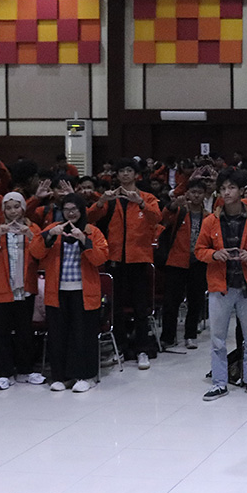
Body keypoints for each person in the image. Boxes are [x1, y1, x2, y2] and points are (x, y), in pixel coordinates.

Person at [196, 169, 247, 401]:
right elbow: (199, 250)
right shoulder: (211, 220)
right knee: (217, 338)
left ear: (242, 191)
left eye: (231, 188)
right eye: (223, 189)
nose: (226, 193)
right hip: (220, 285)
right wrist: (214, 255)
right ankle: (219, 382)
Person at [30, 193, 109, 392]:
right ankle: (60, 376)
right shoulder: (54, 228)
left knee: (82, 335)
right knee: (58, 335)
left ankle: (85, 376)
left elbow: (101, 258)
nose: (70, 213)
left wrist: (83, 239)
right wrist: (50, 235)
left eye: (74, 209)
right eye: (66, 209)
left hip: (84, 291)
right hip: (57, 291)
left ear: (82, 210)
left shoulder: (92, 231)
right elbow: (36, 252)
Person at [89, 158, 161, 369]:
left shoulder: (147, 197)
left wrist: (140, 203)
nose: (125, 174)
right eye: (121, 171)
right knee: (117, 307)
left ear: (136, 174)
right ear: (117, 175)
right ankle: (119, 347)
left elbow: (156, 218)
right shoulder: (111, 198)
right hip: (115, 259)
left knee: (140, 307)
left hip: (139, 259)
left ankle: (142, 349)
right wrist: (101, 201)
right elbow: (90, 217)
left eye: (129, 170)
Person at [0, 192, 42, 390]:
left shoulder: (33, 229)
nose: (13, 211)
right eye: (8, 208)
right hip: (2, 288)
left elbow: (41, 254)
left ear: (23, 208)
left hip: (25, 288)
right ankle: (5, 373)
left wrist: (30, 236)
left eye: (16, 207)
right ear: (3, 210)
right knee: (3, 333)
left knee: (25, 331)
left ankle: (25, 370)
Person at [158, 181, 209, 350]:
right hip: (176, 261)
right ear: (187, 194)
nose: (196, 195)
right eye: (193, 192)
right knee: (171, 301)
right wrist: (173, 205)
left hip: (199, 262)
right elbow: (163, 217)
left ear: (204, 195)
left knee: (196, 301)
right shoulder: (179, 212)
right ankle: (168, 337)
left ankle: (190, 335)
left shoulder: (208, 217)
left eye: (199, 192)